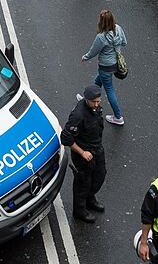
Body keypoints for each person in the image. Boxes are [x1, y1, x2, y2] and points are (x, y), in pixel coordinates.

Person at [60, 84, 107, 223]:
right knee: (83, 183)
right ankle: (79, 210)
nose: (97, 104)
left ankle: (90, 199)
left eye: (99, 101)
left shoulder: (96, 107)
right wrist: (82, 152)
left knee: (99, 175)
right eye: (94, 102)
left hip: (97, 148)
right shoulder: (78, 115)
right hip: (84, 154)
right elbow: (66, 138)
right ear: (86, 99)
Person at [81, 10, 127, 126]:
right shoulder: (118, 28)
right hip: (115, 64)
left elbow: (93, 51)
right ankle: (87, 98)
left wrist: (85, 57)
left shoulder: (101, 37)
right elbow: (124, 43)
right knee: (98, 81)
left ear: (101, 22)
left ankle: (118, 117)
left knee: (109, 90)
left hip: (105, 66)